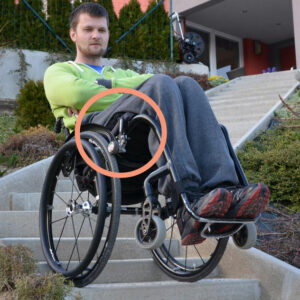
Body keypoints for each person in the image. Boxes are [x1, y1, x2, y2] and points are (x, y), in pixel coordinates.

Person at [43, 2, 270, 246]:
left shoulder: (120, 73)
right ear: (73, 34)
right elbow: (77, 94)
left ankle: (226, 189)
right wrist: (132, 90)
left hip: (137, 134)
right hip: (99, 138)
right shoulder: (60, 71)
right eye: (88, 29)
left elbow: (150, 82)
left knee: (186, 85)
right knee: (160, 85)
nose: (96, 35)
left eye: (102, 30)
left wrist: (104, 88)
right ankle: (187, 197)